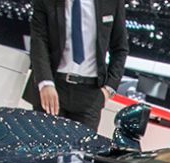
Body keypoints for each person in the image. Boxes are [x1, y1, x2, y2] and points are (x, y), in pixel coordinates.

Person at [23, 0, 130, 131]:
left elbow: (120, 48)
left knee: (82, 144)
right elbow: (39, 41)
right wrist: (45, 83)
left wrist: (109, 89)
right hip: (53, 88)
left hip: (90, 96)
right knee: (44, 142)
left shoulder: (112, 2)